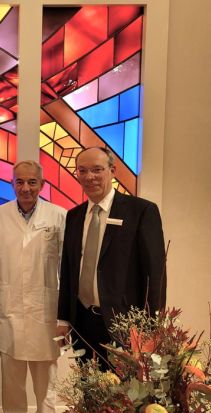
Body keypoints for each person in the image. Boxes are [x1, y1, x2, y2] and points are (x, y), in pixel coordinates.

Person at [56, 146, 166, 366]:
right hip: (82, 321)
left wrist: (152, 327)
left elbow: (155, 275)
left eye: (97, 169)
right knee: (87, 384)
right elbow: (68, 269)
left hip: (125, 323)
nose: (89, 177)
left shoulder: (141, 211)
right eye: (82, 170)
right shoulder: (74, 216)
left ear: (113, 171)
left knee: (124, 388)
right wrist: (63, 318)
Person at [0, 161, 66, 413]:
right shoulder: (0, 214)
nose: (25, 188)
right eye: (19, 182)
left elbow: (66, 267)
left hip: (46, 308)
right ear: (12, 184)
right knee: (12, 376)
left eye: (32, 182)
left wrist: (64, 316)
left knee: (46, 378)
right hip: (10, 305)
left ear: (42, 184)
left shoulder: (58, 215)